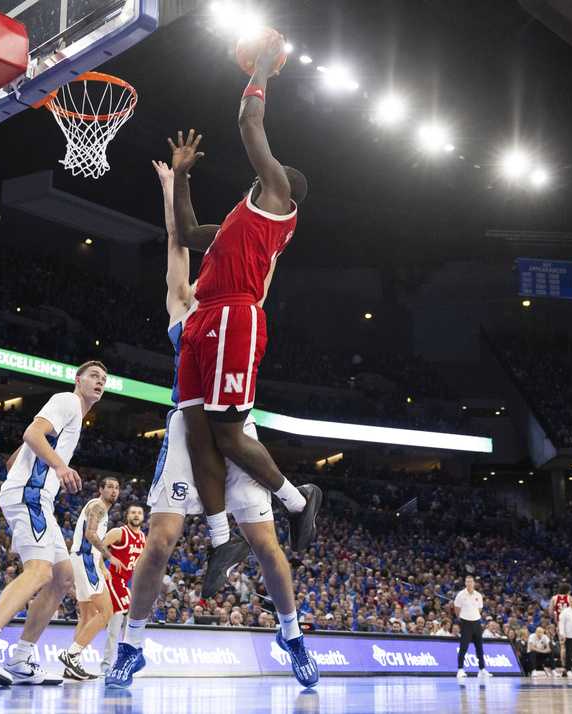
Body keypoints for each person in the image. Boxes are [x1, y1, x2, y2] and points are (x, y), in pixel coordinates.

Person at [105, 161, 318, 690]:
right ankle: (132, 644)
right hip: (186, 431)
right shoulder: (183, 306)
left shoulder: (242, 297)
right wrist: (171, 188)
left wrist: (275, 214)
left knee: (267, 545)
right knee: (159, 542)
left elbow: (262, 255)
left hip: (233, 429)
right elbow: (177, 243)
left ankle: (291, 637)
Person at [169, 31, 320, 589]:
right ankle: (218, 537)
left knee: (230, 435)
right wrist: (182, 177)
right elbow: (186, 231)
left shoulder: (277, 199)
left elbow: (248, 125)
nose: (263, 166)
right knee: (196, 433)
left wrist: (260, 65)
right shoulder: (239, 216)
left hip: (236, 315)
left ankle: (296, 499)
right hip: (202, 319)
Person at [0, 361, 108, 686]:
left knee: (63, 577)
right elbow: (32, 433)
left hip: (37, 499)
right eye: (94, 376)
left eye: (104, 379)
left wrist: (31, 471)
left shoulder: (75, 416)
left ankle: (22, 657)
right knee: (39, 571)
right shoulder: (67, 402)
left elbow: (15, 458)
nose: (100, 382)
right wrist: (60, 468)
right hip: (31, 497)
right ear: (78, 379)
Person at [60, 476, 121, 680]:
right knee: (106, 611)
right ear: (100, 489)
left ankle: (72, 665)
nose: (114, 491)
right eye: (110, 487)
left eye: (117, 488)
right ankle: (71, 654)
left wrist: (101, 564)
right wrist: (109, 556)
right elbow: (91, 534)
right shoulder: (98, 506)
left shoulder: (99, 508)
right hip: (85, 560)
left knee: (87, 616)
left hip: (84, 560)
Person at [101, 503, 146, 675]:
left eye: (139, 513)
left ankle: (125, 663)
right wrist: (106, 563)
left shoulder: (143, 537)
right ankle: (106, 667)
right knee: (114, 628)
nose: (136, 515)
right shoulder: (119, 532)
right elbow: (99, 545)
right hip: (113, 581)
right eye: (133, 512)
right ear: (127, 516)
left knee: (130, 628)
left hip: (128, 585)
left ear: (143, 517)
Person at [453, 575, 491, 679]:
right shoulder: (460, 595)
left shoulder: (478, 595)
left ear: (474, 583)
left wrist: (474, 616)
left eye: (471, 582)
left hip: (477, 623)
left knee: (479, 647)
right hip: (465, 623)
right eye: (467, 582)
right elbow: (456, 609)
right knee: (463, 647)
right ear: (465, 583)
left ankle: (482, 669)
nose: (469, 583)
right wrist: (464, 617)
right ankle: (460, 669)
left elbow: (479, 609)